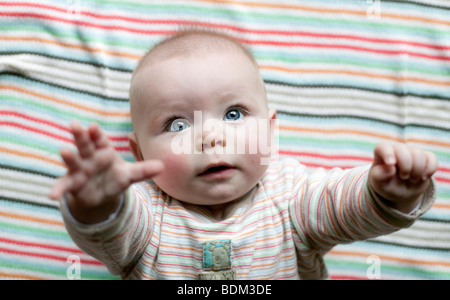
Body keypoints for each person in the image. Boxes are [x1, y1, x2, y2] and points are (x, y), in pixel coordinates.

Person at [50, 30, 438, 280]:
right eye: (177, 125)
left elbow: (340, 204)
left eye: (234, 114)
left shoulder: (291, 197)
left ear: (271, 131)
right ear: (138, 153)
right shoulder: (148, 215)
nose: (211, 137)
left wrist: (386, 191)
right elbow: (111, 232)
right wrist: (98, 204)